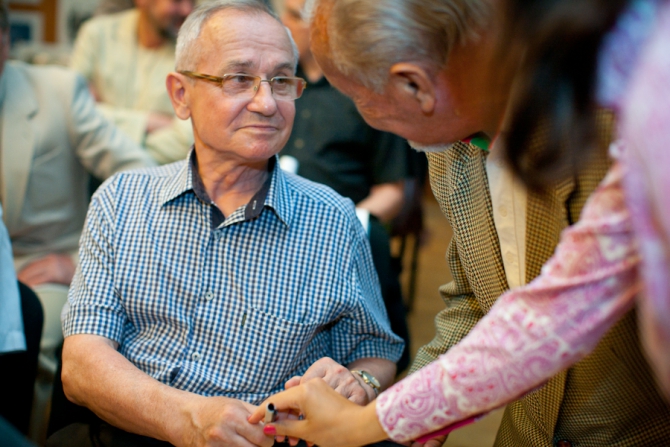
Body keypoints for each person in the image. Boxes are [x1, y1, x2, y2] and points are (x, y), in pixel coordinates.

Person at [247, 0, 670, 446]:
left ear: (415, 85)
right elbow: (480, 299)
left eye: (356, 97)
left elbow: (558, 310)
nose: (359, 114)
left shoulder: (619, 121)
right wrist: (391, 406)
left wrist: (367, 425)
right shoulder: (449, 147)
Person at [50, 1, 403, 446]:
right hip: (125, 430)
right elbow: (81, 365)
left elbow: (376, 352)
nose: (266, 102)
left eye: (280, 80)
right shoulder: (121, 201)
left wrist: (359, 384)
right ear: (181, 95)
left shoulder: (332, 219)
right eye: (238, 79)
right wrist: (186, 418)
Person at [0, 2, 156, 362]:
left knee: (38, 338)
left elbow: (141, 181)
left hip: (38, 266)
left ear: (6, 41)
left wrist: (78, 263)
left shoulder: (58, 92)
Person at [279, 0, 412, 372]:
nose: (288, 27)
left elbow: (395, 190)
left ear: (324, 26)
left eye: (298, 16)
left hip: (343, 229)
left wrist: (344, 223)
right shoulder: (276, 90)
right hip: (273, 224)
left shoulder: (366, 94)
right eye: (286, 14)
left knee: (373, 242)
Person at [70, 0, 195, 165]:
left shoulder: (195, 48)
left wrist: (102, 122)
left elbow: (187, 141)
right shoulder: (97, 35)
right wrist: (149, 122)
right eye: (177, 1)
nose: (188, 10)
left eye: (192, 1)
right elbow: (72, 113)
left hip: (163, 180)